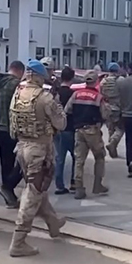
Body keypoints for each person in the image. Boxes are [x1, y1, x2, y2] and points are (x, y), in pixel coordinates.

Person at [8, 59, 66, 257]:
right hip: (39, 150)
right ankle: (18, 240)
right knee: (32, 194)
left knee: (37, 189)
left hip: (21, 148)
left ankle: (53, 223)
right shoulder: (45, 97)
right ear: (41, 77)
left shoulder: (17, 94)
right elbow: (61, 123)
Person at [66, 71, 109, 199]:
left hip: (78, 130)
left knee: (79, 160)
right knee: (99, 156)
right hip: (93, 131)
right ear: (96, 82)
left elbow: (67, 110)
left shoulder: (76, 94)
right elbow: (105, 115)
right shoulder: (98, 97)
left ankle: (79, 188)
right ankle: (97, 185)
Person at [0, 60, 25, 208]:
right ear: (20, 71)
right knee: (23, 162)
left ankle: (9, 198)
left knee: (6, 164)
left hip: (0, 128)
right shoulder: (16, 85)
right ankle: (8, 187)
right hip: (13, 130)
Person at [54, 67, 76, 195]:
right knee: (76, 156)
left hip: (57, 129)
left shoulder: (55, 93)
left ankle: (59, 186)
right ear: (72, 78)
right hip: (70, 128)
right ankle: (74, 182)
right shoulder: (73, 94)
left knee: (60, 158)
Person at [101, 62, 124, 158]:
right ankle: (113, 143)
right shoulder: (120, 80)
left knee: (110, 129)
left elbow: (101, 93)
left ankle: (113, 151)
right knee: (120, 128)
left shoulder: (104, 81)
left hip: (107, 107)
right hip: (118, 107)